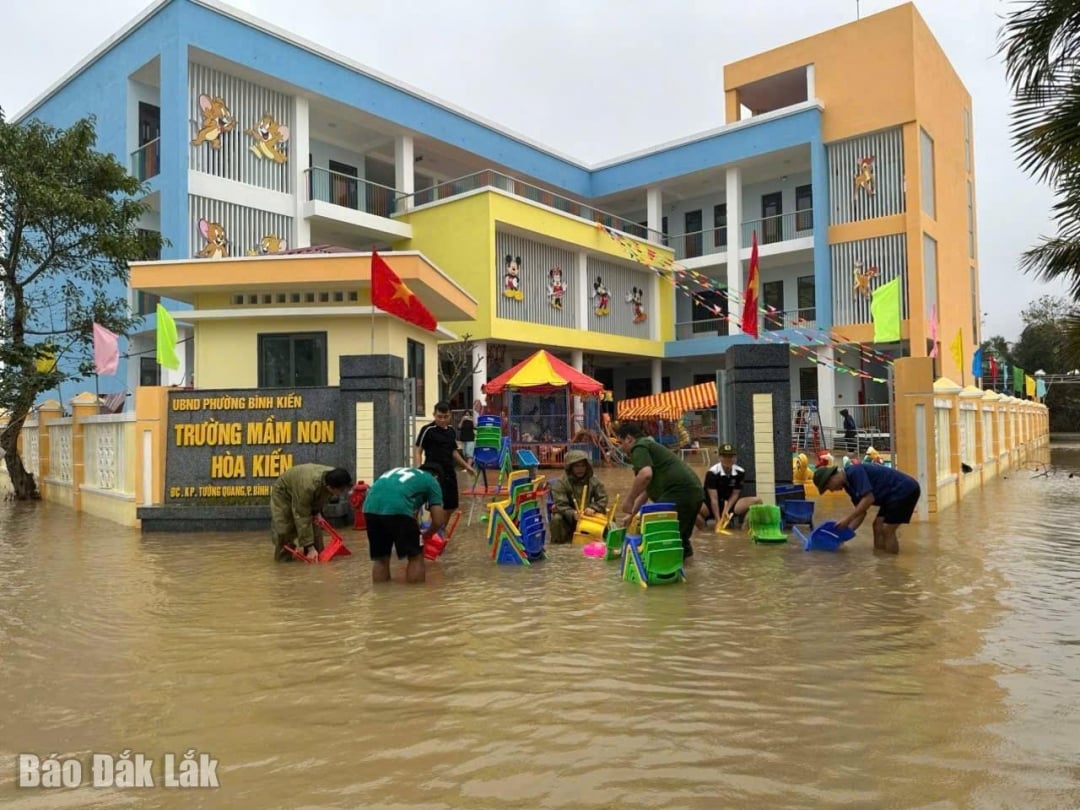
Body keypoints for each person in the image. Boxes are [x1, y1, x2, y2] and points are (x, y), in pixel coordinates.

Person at [616, 423, 704, 558]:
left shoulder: (639, 446)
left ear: (629, 439)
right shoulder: (649, 446)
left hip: (679, 492)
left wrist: (629, 500)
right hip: (694, 493)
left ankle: (659, 568)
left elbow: (645, 475)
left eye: (621, 442)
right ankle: (687, 572)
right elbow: (647, 490)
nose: (620, 447)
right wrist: (632, 514)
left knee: (655, 528)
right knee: (680, 540)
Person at [363, 463, 448, 584]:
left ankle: (380, 596)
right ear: (437, 477)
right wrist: (428, 534)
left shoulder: (405, 474)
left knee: (381, 558)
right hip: (397, 509)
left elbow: (410, 511)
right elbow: (439, 520)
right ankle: (415, 598)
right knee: (415, 557)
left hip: (370, 508)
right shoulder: (432, 480)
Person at [812, 463, 921, 554]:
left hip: (905, 489)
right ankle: (882, 561)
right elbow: (861, 512)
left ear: (830, 478)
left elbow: (868, 499)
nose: (831, 490)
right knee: (877, 526)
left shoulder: (855, 471)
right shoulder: (849, 486)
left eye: (828, 488)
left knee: (887, 529)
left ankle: (892, 566)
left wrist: (847, 519)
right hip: (890, 496)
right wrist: (843, 534)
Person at [269, 464, 353, 561]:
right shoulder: (307, 486)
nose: (343, 493)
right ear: (330, 487)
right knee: (285, 529)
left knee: (315, 525)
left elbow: (320, 499)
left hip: (304, 491)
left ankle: (316, 557)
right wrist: (310, 547)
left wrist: (317, 513)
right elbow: (301, 516)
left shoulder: (335, 477)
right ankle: (283, 560)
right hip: (283, 494)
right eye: (341, 490)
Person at [414, 401, 475, 512]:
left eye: (445, 417)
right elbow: (418, 450)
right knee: (436, 505)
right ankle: (435, 527)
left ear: (450, 415)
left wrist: (467, 466)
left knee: (451, 506)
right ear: (434, 415)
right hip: (433, 472)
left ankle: (441, 528)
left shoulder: (451, 430)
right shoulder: (427, 430)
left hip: (449, 472)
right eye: (439, 417)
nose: (442, 420)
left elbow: (454, 452)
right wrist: (418, 470)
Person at [549, 449, 609, 544]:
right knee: (556, 519)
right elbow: (561, 504)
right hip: (568, 518)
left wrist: (593, 508)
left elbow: (603, 498)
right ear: (570, 467)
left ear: (587, 467)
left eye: (583, 466)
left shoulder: (593, 481)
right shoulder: (561, 483)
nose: (580, 469)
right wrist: (573, 513)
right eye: (576, 466)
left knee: (609, 517)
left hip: (589, 515)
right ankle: (558, 545)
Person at [698, 443, 762, 531]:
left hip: (730, 504)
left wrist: (726, 510)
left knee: (758, 501)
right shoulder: (712, 473)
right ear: (720, 457)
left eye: (731, 456)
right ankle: (703, 530)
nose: (728, 459)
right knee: (690, 506)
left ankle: (745, 528)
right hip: (710, 505)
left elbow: (735, 493)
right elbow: (714, 499)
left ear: (735, 458)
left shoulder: (740, 472)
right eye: (725, 456)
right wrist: (718, 520)